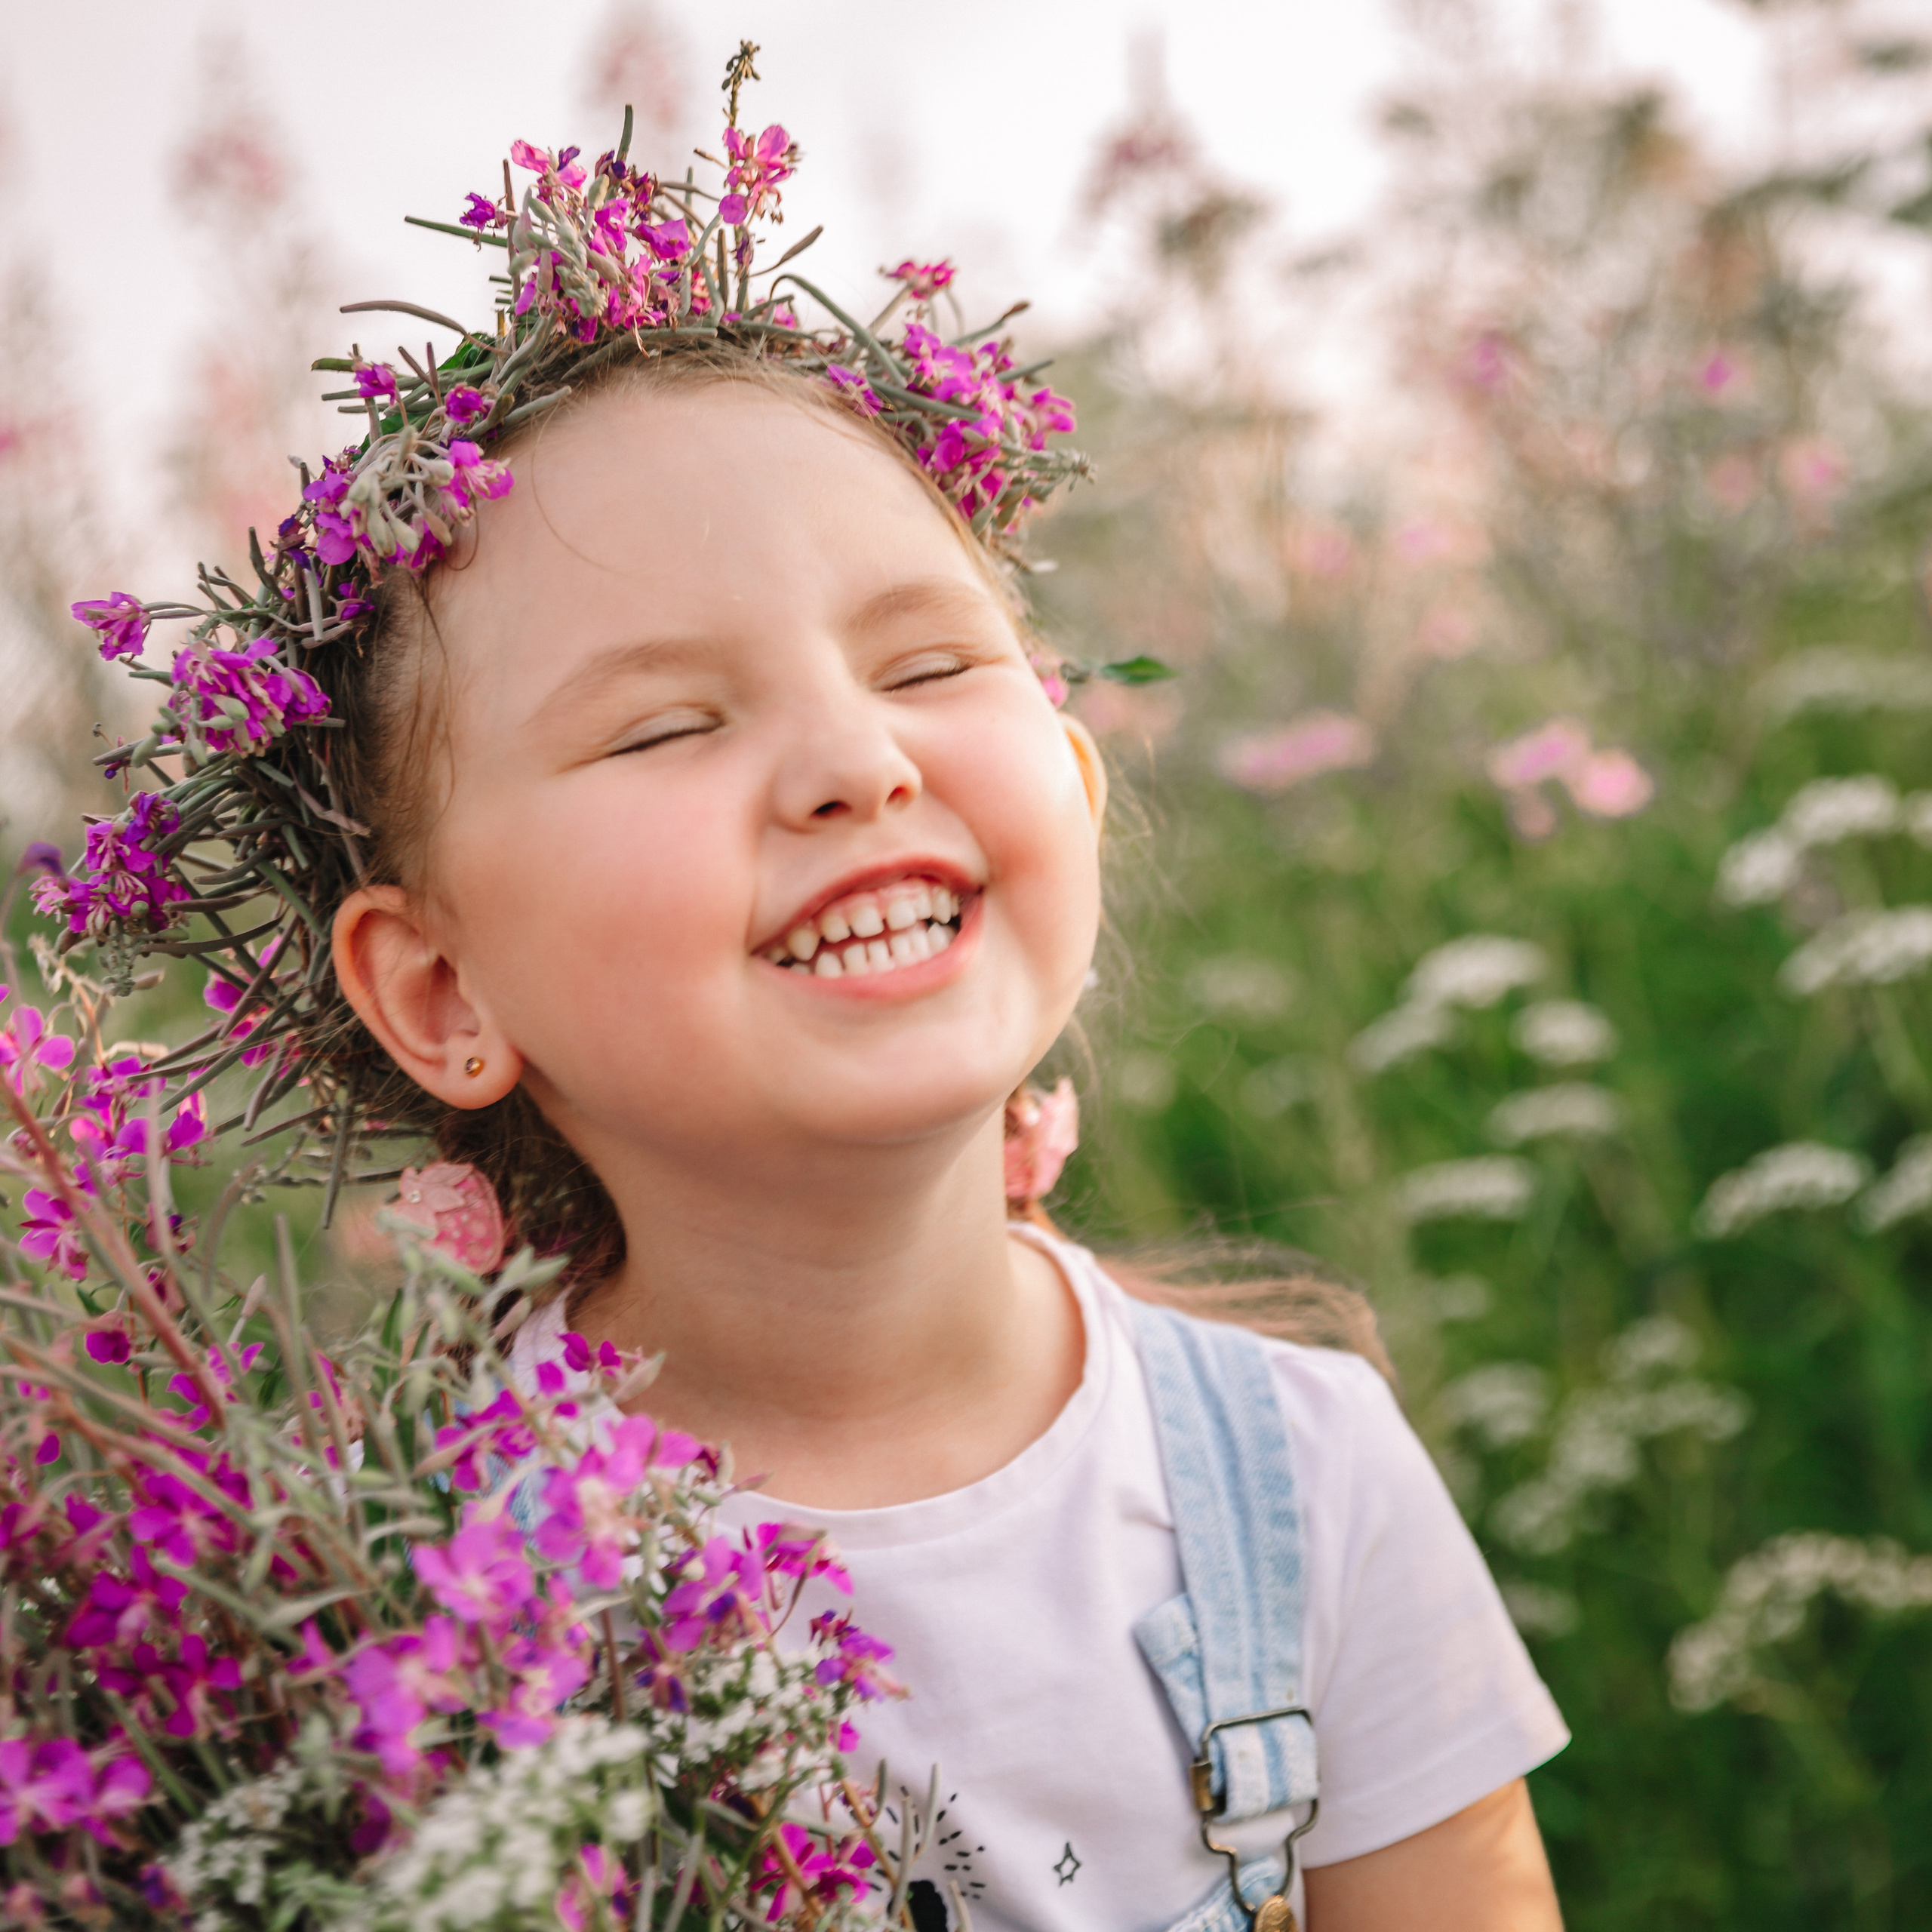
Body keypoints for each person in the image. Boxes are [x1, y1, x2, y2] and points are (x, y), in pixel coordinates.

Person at [59, 75, 1568, 1932]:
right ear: (440, 987)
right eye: (670, 722)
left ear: (1075, 790)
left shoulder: (1299, 1478)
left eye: (930, 660)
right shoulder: (405, 1591)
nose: (853, 761)